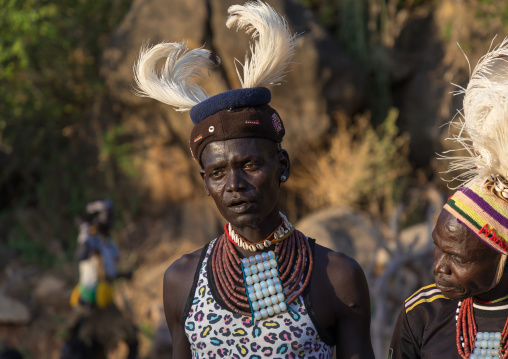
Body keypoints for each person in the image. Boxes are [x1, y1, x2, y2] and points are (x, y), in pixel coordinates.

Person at [133, 2, 374, 358]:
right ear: (205, 183)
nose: (234, 184)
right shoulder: (182, 280)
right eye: (217, 172)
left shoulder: (336, 278)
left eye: (249, 165)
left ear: (283, 166)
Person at [389, 38, 508, 359]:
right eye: (438, 248)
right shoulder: (422, 314)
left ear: (502, 256)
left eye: (459, 258)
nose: (439, 267)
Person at [64, 199, 138, 359]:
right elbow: (81, 254)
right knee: (85, 341)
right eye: (107, 216)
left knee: (128, 337)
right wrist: (87, 237)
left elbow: (109, 271)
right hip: (90, 299)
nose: (110, 220)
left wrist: (124, 275)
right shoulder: (89, 237)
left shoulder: (107, 240)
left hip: (104, 297)